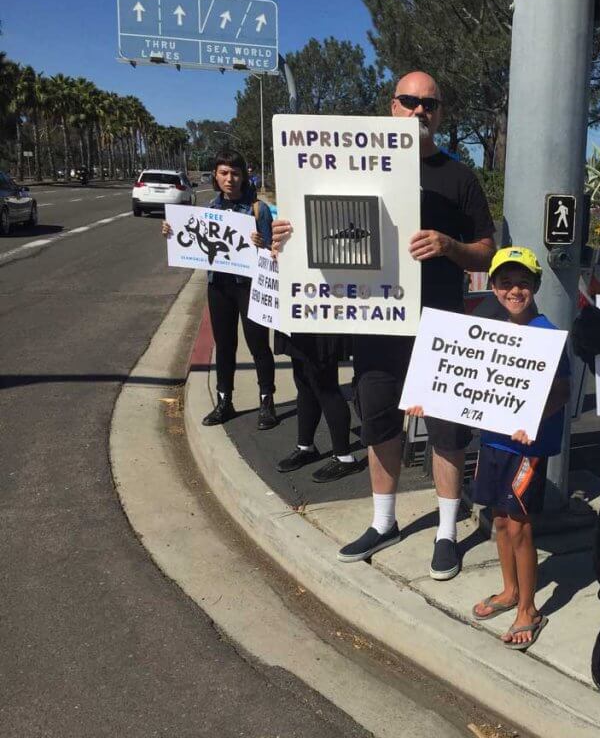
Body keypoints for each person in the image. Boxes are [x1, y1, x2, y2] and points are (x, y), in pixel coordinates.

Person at [272, 71, 495, 579]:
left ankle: (445, 531)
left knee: (446, 432)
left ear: (440, 114)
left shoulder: (457, 177)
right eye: (409, 101)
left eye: (430, 105)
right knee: (378, 423)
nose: (420, 112)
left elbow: (487, 248)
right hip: (376, 323)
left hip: (439, 325)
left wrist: (450, 246)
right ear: (391, 105)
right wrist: (285, 236)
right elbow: (314, 230)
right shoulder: (354, 166)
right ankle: (384, 521)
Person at [419, 247, 569, 649]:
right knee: (499, 521)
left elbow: (561, 391)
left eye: (522, 283)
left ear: (535, 286)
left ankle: (529, 610)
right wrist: (429, 395)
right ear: (493, 286)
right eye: (505, 283)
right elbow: (457, 373)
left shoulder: (547, 333)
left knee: (519, 526)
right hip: (493, 442)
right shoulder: (488, 329)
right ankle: (509, 591)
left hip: (526, 449)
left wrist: (533, 421)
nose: (514, 290)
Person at [163, 149, 278, 430]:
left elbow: (273, 251)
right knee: (224, 346)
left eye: (235, 173)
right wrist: (172, 232)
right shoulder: (210, 211)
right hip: (219, 286)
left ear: (244, 176)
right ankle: (224, 401)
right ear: (215, 175)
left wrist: (260, 241)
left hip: (249, 287)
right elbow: (192, 239)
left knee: (258, 345)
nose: (230, 179)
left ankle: (267, 401)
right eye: (224, 173)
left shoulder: (258, 209)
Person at [274, 333, 360, 483]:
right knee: (303, 381)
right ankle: (306, 447)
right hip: (297, 322)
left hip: (319, 324)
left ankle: (344, 457)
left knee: (324, 384)